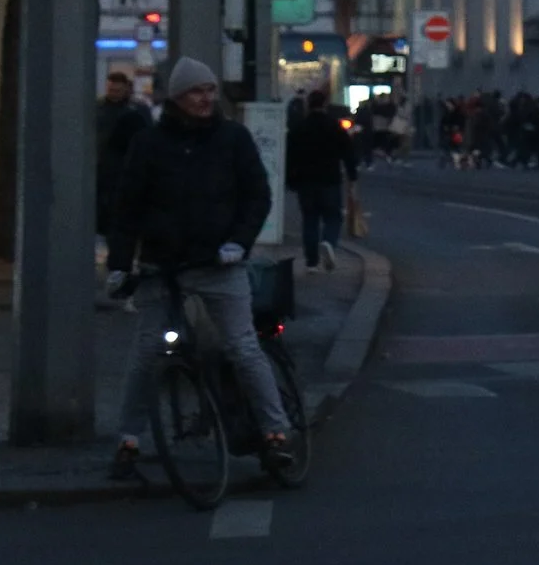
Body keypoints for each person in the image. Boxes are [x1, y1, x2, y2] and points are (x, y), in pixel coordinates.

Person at [105, 59, 291, 479]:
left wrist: (237, 243)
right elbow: (127, 210)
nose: (205, 98)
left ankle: (276, 434)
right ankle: (127, 440)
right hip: (163, 266)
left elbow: (256, 197)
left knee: (242, 347)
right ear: (176, 97)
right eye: (195, 91)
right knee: (146, 353)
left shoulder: (232, 138)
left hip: (218, 264)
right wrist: (120, 266)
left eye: (209, 90)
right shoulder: (149, 144)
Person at [285, 88, 355, 271]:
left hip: (305, 181)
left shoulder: (299, 127)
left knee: (310, 219)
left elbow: (290, 155)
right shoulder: (334, 126)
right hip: (330, 179)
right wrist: (352, 177)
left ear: (308, 104)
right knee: (333, 216)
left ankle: (311, 262)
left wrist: (290, 179)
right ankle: (329, 242)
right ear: (325, 104)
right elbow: (348, 152)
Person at [93, 70, 153, 260]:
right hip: (108, 171)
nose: (114, 93)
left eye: (117, 90)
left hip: (118, 170)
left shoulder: (103, 110)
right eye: (112, 89)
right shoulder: (131, 110)